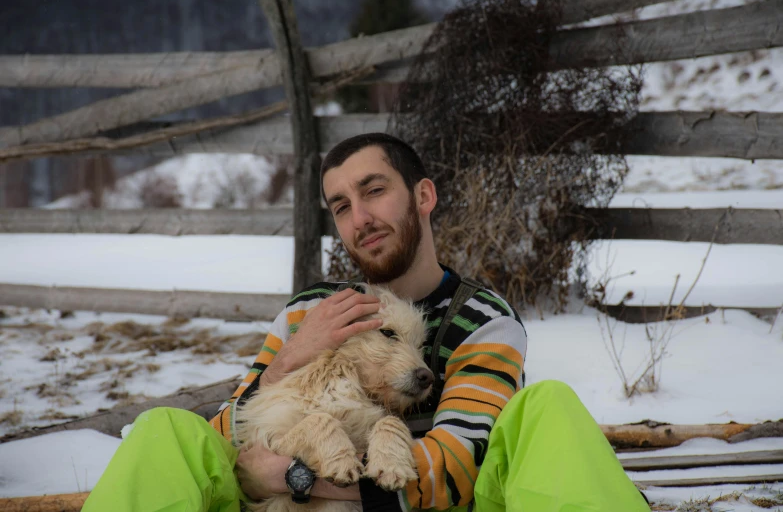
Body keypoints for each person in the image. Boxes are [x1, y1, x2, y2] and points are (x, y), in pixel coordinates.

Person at [82, 133, 650, 512]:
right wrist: (287, 361)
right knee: (165, 431)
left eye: (373, 191)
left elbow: (458, 466)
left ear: (423, 195)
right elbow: (232, 443)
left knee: (548, 409)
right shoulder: (307, 312)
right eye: (341, 205)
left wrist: (295, 478)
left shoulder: (484, 323)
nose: (360, 218)